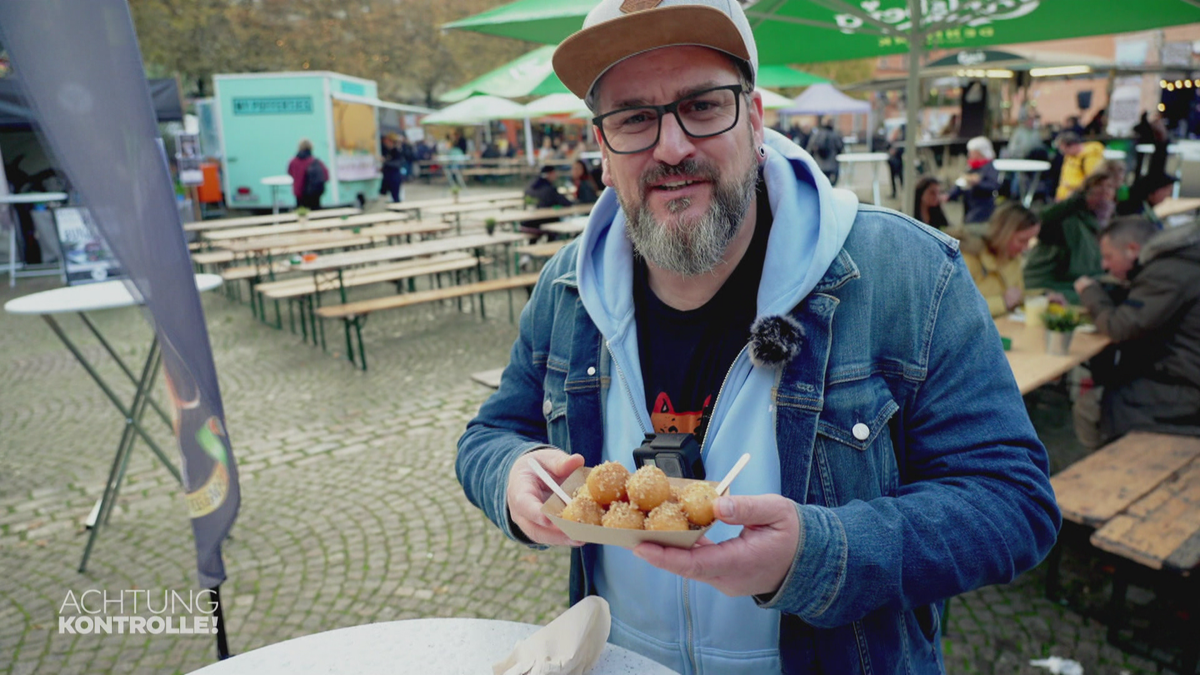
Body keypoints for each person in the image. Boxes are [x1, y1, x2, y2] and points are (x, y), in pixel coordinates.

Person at [456, 1, 1060, 673]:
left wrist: (817, 552)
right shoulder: (565, 288)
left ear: (756, 118)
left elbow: (1014, 502)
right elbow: (488, 437)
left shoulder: (908, 274)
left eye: (704, 106)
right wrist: (511, 476)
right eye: (633, 119)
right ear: (602, 151)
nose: (672, 146)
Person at [1072, 216, 1200, 448]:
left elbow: (1120, 327)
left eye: (1109, 257)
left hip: (1185, 389)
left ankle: (1109, 469)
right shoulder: (1182, 262)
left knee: (1088, 407)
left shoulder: (1167, 272)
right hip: (1183, 376)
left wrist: (1091, 292)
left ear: (1132, 250)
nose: (1104, 265)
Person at [1024, 170, 1117, 303]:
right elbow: (1040, 219)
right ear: (1086, 193)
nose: (1104, 192)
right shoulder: (1066, 220)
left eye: (1109, 187)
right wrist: (1078, 202)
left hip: (1078, 287)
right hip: (1051, 286)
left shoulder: (1106, 226)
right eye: (1098, 187)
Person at [954, 203, 1041, 317]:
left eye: (1030, 240)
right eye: (1022, 240)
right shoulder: (968, 258)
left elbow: (1016, 297)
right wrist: (1002, 303)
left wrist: (1043, 296)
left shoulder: (1013, 258)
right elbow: (956, 311)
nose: (1026, 248)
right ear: (1004, 234)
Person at [947, 136, 1001, 224]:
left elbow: (993, 186)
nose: (969, 155)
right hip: (969, 206)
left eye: (972, 152)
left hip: (983, 209)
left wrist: (978, 183)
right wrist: (950, 195)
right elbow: (961, 184)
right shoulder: (971, 167)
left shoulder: (989, 168)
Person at [1054, 131, 1105, 201]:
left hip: (1077, 198)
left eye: (1065, 150)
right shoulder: (1070, 156)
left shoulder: (1090, 157)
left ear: (1073, 145)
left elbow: (1093, 181)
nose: (1064, 154)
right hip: (1064, 198)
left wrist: (1074, 188)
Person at [286, 139, 327, 210]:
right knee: (316, 216)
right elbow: (326, 176)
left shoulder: (293, 162)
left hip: (299, 194)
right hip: (314, 194)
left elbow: (290, 173)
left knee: (302, 216)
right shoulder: (316, 161)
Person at [805, 116, 843, 184]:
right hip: (832, 164)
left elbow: (810, 148)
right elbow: (840, 147)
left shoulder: (817, 134)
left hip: (819, 164)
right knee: (830, 183)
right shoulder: (835, 134)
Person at [379, 134, 405, 203]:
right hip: (389, 177)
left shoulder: (397, 151)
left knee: (395, 196)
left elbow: (397, 163)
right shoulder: (388, 151)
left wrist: (385, 161)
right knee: (391, 196)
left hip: (395, 177)